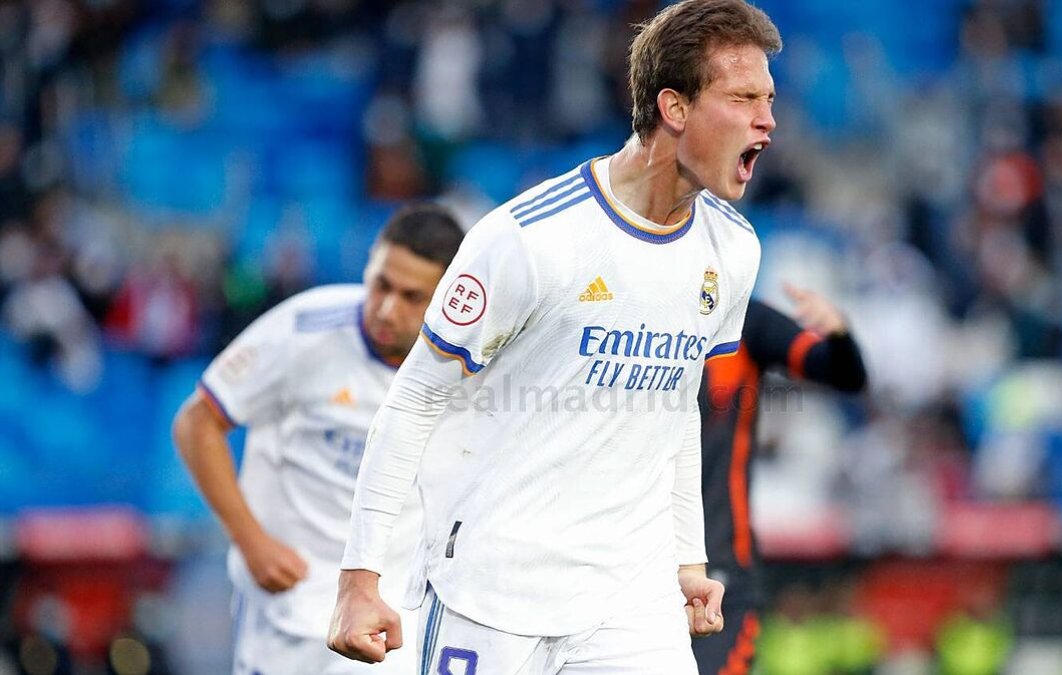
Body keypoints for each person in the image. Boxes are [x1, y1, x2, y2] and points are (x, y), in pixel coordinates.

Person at [327, 1, 781, 672]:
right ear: (674, 108)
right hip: (493, 591)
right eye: (744, 98)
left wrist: (687, 559)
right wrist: (359, 581)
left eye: (769, 99)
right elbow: (415, 397)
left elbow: (678, 405)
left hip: (629, 601)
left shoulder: (733, 250)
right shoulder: (530, 239)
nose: (767, 122)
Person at [171, 204, 464, 675]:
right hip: (288, 607)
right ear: (368, 265)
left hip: (389, 618)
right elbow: (196, 421)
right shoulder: (306, 328)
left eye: (413, 296)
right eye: (382, 284)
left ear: (448, 297)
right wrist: (250, 540)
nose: (388, 308)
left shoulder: (467, 367)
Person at [694, 288, 868, 675]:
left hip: (719, 565)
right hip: (630, 564)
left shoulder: (743, 319)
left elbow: (843, 372)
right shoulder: (622, 316)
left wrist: (839, 334)